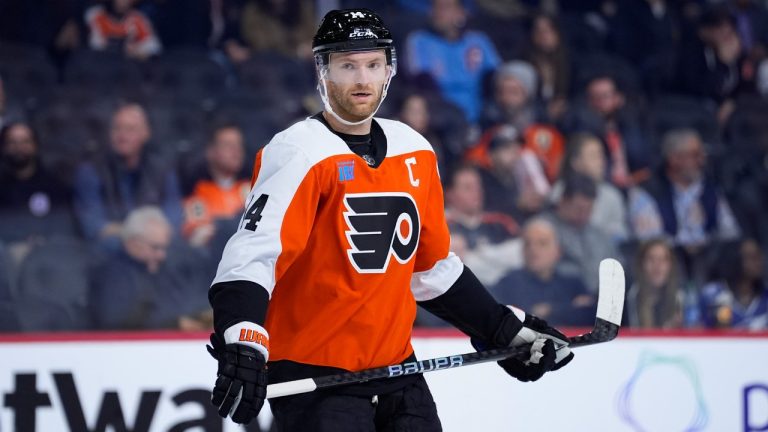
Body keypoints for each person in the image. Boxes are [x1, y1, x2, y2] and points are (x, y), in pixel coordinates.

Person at [206, 9, 574, 429]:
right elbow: (252, 255)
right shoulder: (299, 152)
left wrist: (501, 327)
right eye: (347, 66)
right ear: (322, 72)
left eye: (372, 65)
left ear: (389, 71)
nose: (362, 80)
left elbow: (430, 268)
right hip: (316, 378)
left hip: (398, 373)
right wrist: (243, 338)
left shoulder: (413, 149)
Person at [73, 103, 183, 251]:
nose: (122, 136)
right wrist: (137, 237)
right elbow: (93, 224)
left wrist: (150, 238)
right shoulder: (90, 170)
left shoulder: (162, 168)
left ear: (146, 133)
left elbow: (174, 214)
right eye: (117, 129)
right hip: (112, 250)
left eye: (130, 129)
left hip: (158, 245)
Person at [89, 206, 211, 330]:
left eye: (165, 248)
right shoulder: (111, 275)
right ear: (133, 243)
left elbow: (184, 302)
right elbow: (116, 321)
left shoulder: (164, 267)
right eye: (155, 247)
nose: (162, 255)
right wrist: (174, 324)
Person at [405, 0, 501, 123]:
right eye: (435, 8)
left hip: (481, 113)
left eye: (445, 8)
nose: (438, 13)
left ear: (462, 13)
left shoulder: (478, 40)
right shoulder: (419, 40)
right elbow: (421, 80)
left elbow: (495, 75)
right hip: (439, 116)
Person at [492, 218, 595, 327]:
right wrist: (569, 308)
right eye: (528, 244)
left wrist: (549, 310)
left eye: (542, 243)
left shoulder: (573, 284)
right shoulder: (509, 283)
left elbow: (590, 316)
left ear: (558, 251)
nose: (533, 249)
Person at [0, 122, 76, 243]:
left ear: (35, 146)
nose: (18, 147)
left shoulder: (55, 187)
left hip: (48, 253)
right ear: (4, 148)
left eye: (25, 142)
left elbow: (64, 230)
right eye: (12, 142)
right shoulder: (2, 188)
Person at [551, 132, 629, 242]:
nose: (601, 162)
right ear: (575, 162)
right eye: (594, 156)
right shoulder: (559, 191)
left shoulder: (612, 195)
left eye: (601, 156)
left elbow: (619, 234)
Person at [182, 124, 250, 249]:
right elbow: (198, 238)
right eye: (228, 145)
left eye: (238, 145)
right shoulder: (198, 195)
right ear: (211, 152)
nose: (236, 150)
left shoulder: (253, 191)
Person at [700, 238, 768, 330]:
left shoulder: (765, 297)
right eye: (752, 258)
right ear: (735, 259)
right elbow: (699, 332)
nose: (759, 263)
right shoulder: (713, 295)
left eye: (759, 257)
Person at [626, 238, 684, 329]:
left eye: (663, 259)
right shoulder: (627, 300)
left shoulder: (681, 300)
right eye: (651, 259)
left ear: (671, 266)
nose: (657, 265)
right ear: (641, 264)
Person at [84, 0, 162, 60]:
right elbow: (95, 45)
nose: (122, 1)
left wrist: (135, 50)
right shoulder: (96, 15)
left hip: (128, 70)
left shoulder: (138, 18)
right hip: (101, 67)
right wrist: (121, 49)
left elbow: (154, 47)